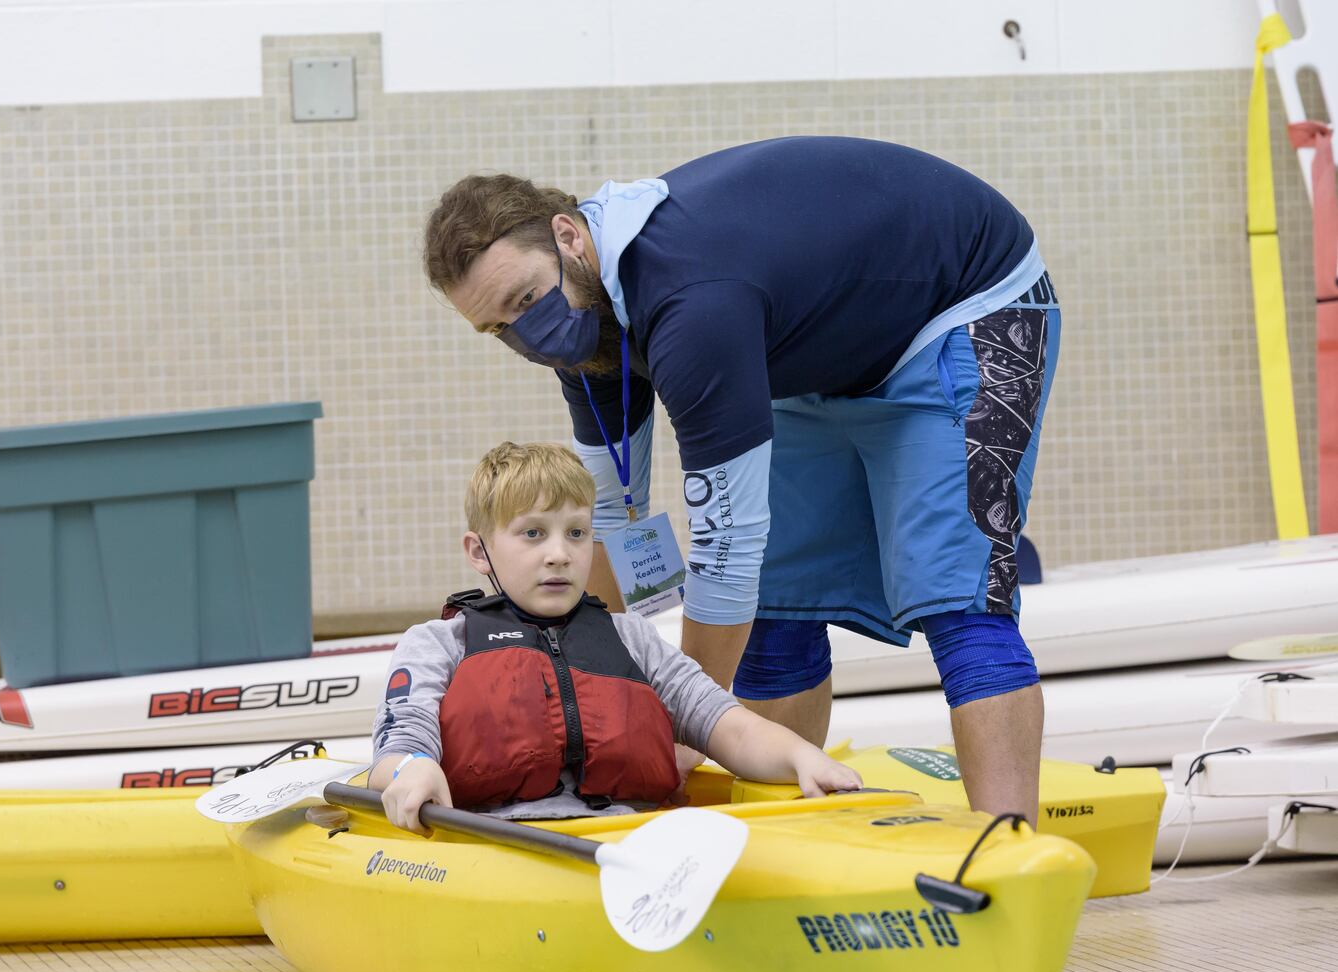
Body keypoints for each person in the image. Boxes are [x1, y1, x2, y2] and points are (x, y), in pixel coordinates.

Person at [422, 136, 1061, 823]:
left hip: (965, 305)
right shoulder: (581, 321)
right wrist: (594, 685)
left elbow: (726, 552)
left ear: (569, 235)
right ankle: (782, 839)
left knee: (958, 603)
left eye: (526, 298)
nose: (529, 334)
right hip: (818, 348)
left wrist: (676, 724)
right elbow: (605, 518)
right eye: (500, 326)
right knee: (780, 609)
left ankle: (1009, 853)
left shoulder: (693, 306)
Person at [369, 441, 861, 832]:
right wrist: (409, 768)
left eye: (577, 533)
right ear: (479, 552)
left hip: (628, 838)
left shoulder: (632, 639)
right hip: (496, 843)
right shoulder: (440, 643)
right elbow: (400, 743)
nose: (560, 554)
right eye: (533, 534)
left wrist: (801, 756)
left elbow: (727, 726)